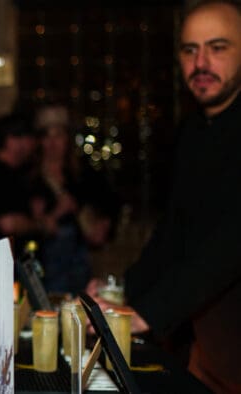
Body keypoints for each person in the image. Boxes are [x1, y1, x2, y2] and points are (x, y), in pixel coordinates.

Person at [88, 1, 241, 392]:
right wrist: (119, 289)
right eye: (190, 50)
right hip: (213, 349)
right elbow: (174, 233)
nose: (201, 62)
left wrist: (147, 313)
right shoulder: (193, 129)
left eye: (218, 47)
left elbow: (230, 243)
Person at [30, 103, 120, 294]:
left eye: (59, 135)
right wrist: (55, 214)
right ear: (40, 141)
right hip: (45, 271)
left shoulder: (82, 177)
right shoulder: (30, 180)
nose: (53, 143)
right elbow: (27, 232)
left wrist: (102, 225)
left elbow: (110, 205)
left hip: (79, 268)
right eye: (47, 136)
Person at [0, 113, 73, 254]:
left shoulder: (9, 173)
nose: (34, 145)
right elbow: (8, 223)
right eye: (31, 139)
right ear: (12, 140)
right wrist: (41, 225)